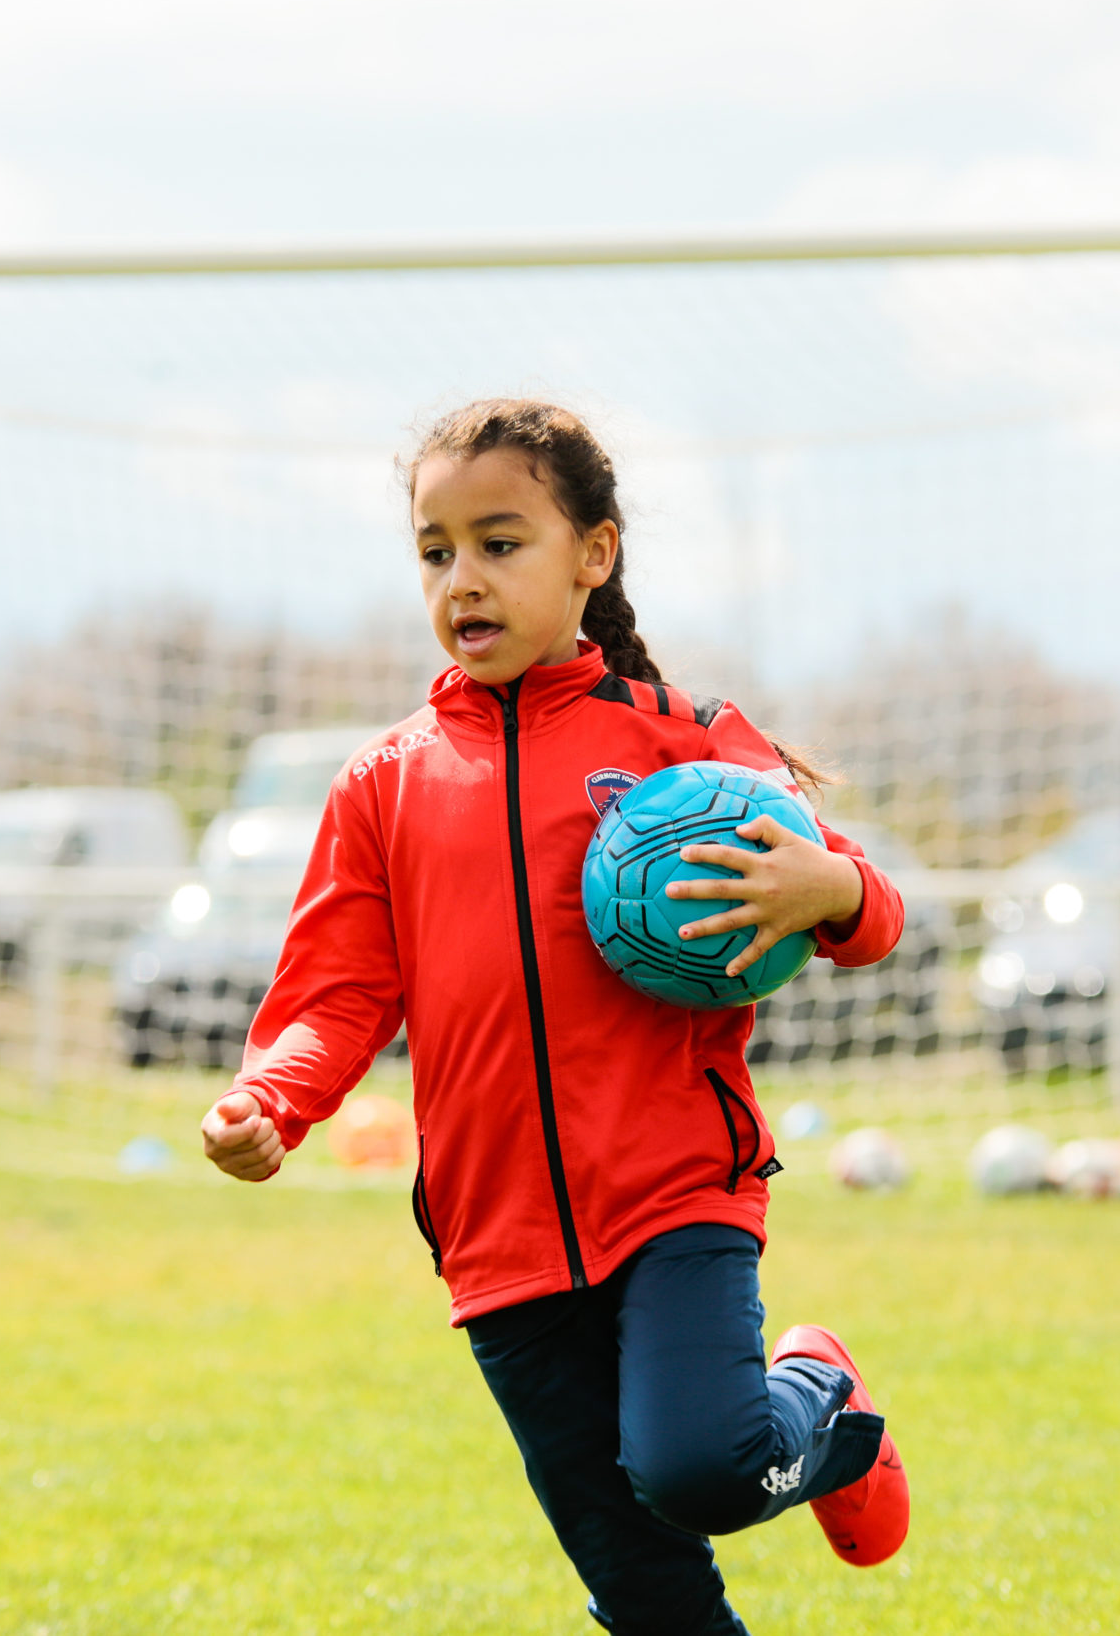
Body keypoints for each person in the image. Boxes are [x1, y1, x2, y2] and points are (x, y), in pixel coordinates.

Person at [199, 398, 911, 1634]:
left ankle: (818, 1391)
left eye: (500, 542)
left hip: (674, 1194)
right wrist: (272, 1098)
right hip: (498, 1239)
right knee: (644, 1590)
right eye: (435, 552)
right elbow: (334, 993)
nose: (461, 579)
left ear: (595, 552)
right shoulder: (385, 784)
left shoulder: (684, 746)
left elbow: (871, 909)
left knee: (703, 1468)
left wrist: (835, 885)